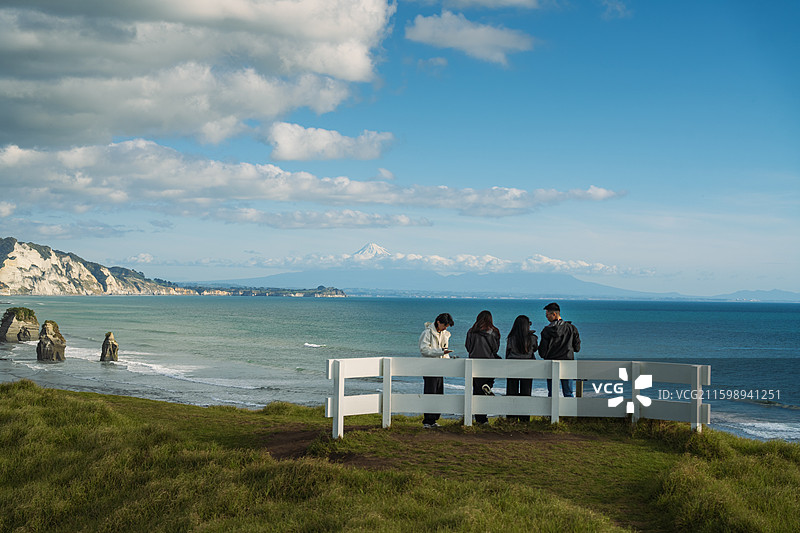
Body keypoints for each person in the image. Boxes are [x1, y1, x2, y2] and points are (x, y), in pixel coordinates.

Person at [419, 312, 455, 428]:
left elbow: (444, 350)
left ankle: (433, 419)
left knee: (439, 393)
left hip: (440, 368)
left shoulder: (444, 334)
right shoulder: (427, 333)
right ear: (438, 322)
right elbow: (424, 350)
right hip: (430, 368)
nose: (445, 328)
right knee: (430, 392)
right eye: (444, 325)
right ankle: (427, 420)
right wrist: (441, 352)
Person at [465, 310, 501, 424]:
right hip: (488, 363)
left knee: (476, 391)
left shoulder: (471, 331)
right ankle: (489, 385)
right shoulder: (494, 332)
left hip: (474, 364)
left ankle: (480, 419)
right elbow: (495, 349)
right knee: (485, 387)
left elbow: (468, 347)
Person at [538, 302, 580, 398]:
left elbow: (542, 352)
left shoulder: (546, 331)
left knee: (552, 393)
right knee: (568, 392)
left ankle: (551, 413)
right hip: (567, 363)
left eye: (547, 315)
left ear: (554, 314)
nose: (546, 317)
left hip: (551, 363)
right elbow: (577, 348)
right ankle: (570, 412)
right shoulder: (571, 328)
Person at [505, 315, 538, 421]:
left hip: (512, 368)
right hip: (528, 368)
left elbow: (508, 353)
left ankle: (511, 418)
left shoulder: (511, 338)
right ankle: (524, 418)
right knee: (526, 392)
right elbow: (535, 349)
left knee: (511, 392)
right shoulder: (532, 338)